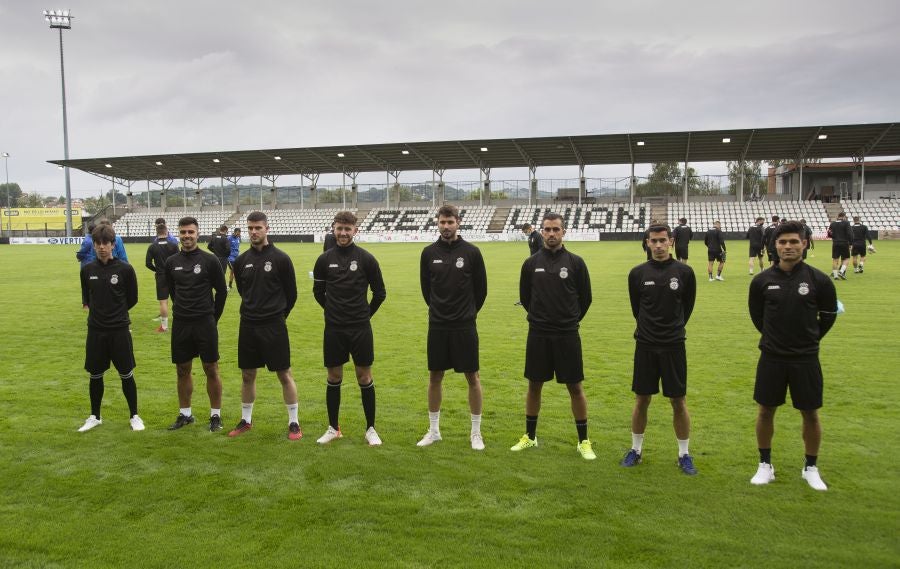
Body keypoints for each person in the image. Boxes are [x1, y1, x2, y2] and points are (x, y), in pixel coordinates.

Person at [748, 221, 838, 491]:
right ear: (774, 245)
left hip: (805, 358)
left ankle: (810, 467)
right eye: (783, 242)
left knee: (810, 414)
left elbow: (828, 317)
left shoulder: (818, 280)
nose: (788, 247)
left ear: (805, 244)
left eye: (794, 242)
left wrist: (809, 339)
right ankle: (765, 465)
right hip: (772, 357)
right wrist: (776, 337)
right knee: (765, 411)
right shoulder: (762, 280)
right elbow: (758, 317)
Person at [511, 212, 595, 460]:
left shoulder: (576, 263)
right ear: (542, 231)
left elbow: (586, 298)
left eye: (555, 229)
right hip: (538, 333)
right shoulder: (530, 264)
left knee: (575, 387)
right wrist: (540, 317)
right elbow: (526, 297)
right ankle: (530, 436)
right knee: (534, 385)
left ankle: (584, 441)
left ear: (563, 232)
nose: (550, 234)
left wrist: (569, 320)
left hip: (567, 334)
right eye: (547, 229)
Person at [622, 224, 697, 474]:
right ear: (647, 242)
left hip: (674, 345)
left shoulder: (684, 273)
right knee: (642, 399)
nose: (657, 245)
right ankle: (635, 450)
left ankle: (684, 454)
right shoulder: (637, 273)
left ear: (671, 241)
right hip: (645, 344)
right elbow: (637, 308)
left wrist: (672, 328)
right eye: (653, 241)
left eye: (662, 240)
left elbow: (686, 308)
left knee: (678, 400)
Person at [417, 204, 488, 450]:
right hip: (438, 325)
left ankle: (476, 433)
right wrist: (440, 310)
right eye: (442, 222)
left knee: (473, 377)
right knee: (435, 376)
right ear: (437, 223)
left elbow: (481, 290)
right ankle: (434, 430)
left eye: (450, 222)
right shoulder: (428, 253)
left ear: (458, 222)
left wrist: (467, 312)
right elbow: (427, 290)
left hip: (464, 325)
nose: (446, 226)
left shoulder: (472, 252)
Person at [313, 211, 387, 446]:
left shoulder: (366, 259)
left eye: (347, 229)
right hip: (334, 328)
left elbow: (380, 293)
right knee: (334, 376)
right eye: (339, 228)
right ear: (333, 229)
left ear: (355, 230)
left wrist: (364, 314)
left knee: (364, 376)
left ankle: (371, 429)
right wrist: (333, 311)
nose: (343, 233)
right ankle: (333, 428)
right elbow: (318, 292)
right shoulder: (324, 259)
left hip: (360, 328)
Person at [228, 212, 302, 440]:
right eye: (250, 228)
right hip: (248, 325)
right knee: (248, 374)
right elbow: (242, 290)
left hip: (274, 325)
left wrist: (279, 315)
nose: (253, 232)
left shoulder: (281, 259)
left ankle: (294, 422)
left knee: (284, 373)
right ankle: (246, 420)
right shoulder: (241, 261)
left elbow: (292, 294)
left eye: (258, 228)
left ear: (267, 229)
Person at [77, 223, 143, 432]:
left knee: (126, 374)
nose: (102, 247)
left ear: (113, 245)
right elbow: (87, 298)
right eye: (98, 243)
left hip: (119, 329)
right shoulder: (87, 270)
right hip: (96, 330)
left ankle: (134, 415)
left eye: (106, 243)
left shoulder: (125, 269)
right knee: (95, 374)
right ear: (94, 245)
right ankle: (95, 416)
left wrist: (116, 313)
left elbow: (132, 298)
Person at [164, 216, 228, 432]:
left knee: (211, 368)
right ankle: (185, 414)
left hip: (205, 323)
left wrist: (213, 317)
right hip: (181, 323)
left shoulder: (210, 261)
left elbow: (221, 291)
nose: (187, 236)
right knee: (182, 370)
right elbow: (173, 292)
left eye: (190, 232)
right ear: (179, 234)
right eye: (183, 232)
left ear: (198, 233)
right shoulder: (171, 262)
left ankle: (215, 416)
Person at [144, 223, 179, 333]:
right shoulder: (173, 244)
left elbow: (148, 263)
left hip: (161, 276)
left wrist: (157, 270)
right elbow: (179, 259)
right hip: (174, 275)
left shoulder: (152, 246)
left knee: (163, 302)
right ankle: (182, 323)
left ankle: (164, 327)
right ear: (166, 231)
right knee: (178, 300)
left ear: (157, 232)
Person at [828, 212, 852, 280]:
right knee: (846, 258)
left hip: (835, 243)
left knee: (835, 259)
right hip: (844, 243)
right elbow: (849, 233)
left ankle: (835, 276)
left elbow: (829, 234)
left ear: (837, 216)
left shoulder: (833, 224)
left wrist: (835, 237)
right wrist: (850, 243)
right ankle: (841, 272)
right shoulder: (846, 223)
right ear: (844, 216)